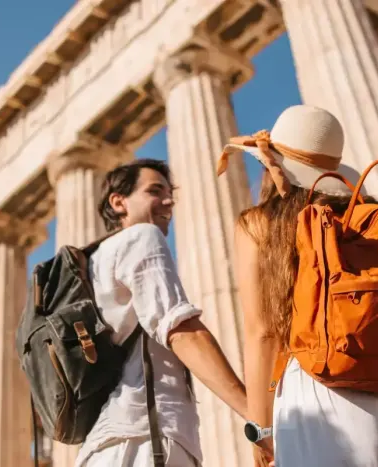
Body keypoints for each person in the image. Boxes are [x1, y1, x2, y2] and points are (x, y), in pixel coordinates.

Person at [219, 105, 378, 466]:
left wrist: (261, 431)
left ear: (270, 167)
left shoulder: (260, 225)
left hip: (322, 396)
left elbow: (261, 332)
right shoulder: (377, 221)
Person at [74, 158, 247, 467]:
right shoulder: (142, 236)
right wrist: (257, 417)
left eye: (170, 193)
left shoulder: (95, 261)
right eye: (155, 191)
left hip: (104, 445)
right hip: (143, 439)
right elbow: (181, 332)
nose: (169, 201)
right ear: (119, 202)